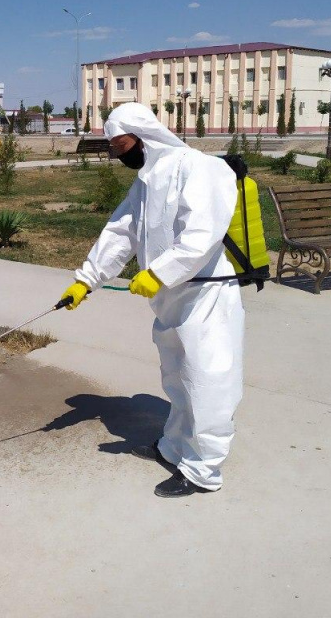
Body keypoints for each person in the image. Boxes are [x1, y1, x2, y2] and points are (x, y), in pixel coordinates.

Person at [59, 102, 244, 498]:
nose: (116, 153)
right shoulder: (145, 180)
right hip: (169, 299)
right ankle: (174, 448)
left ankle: (203, 471)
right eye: (112, 146)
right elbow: (120, 233)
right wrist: (86, 280)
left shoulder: (200, 167)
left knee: (207, 380)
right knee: (177, 378)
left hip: (205, 294)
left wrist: (160, 272)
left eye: (120, 144)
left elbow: (203, 232)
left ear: (141, 136)